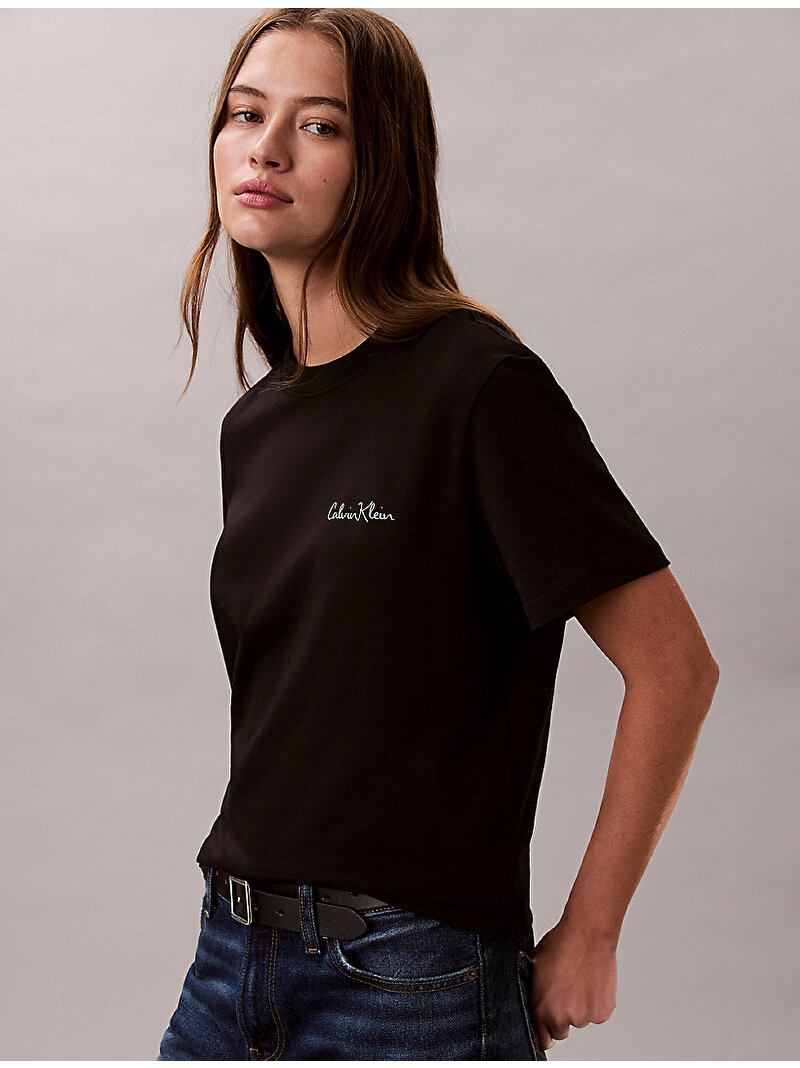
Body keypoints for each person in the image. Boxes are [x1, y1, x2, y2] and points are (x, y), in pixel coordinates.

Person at [157, 7, 719, 1061]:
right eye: (243, 113)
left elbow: (675, 668)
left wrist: (592, 930)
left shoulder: (476, 385)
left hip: (410, 977)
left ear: (384, 165)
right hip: (230, 956)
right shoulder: (258, 423)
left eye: (318, 125)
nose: (265, 149)